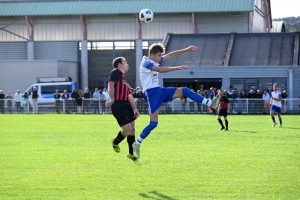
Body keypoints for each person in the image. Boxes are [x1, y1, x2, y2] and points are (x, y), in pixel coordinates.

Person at [132, 43, 221, 159]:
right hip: (151, 94)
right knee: (153, 123)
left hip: (160, 91)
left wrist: (186, 49)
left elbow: (170, 55)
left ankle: (211, 103)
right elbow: (159, 69)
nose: (160, 58)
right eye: (159, 56)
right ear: (152, 55)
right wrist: (177, 68)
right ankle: (137, 143)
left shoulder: (154, 59)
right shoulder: (146, 62)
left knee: (185, 91)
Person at [106, 57, 141, 165]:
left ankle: (131, 153)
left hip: (127, 105)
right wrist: (112, 99)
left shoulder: (125, 79)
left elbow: (129, 95)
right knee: (127, 130)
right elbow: (110, 85)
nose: (127, 64)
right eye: (125, 62)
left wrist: (135, 109)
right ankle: (115, 141)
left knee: (133, 130)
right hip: (118, 105)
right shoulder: (115, 73)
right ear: (120, 64)